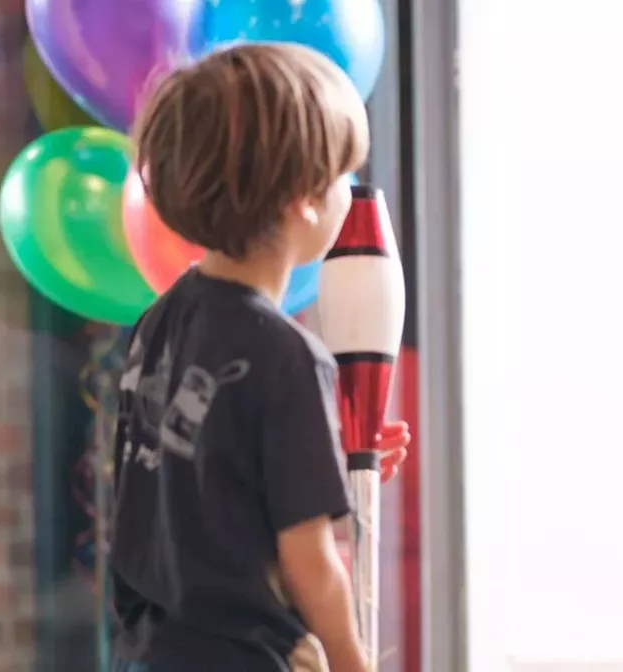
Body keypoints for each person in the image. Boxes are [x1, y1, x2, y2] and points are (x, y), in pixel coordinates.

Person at [108, 43, 409, 672]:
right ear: (302, 197)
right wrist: (356, 664)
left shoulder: (156, 324)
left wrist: (317, 462)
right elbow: (311, 566)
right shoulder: (287, 357)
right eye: (340, 177)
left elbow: (197, 487)